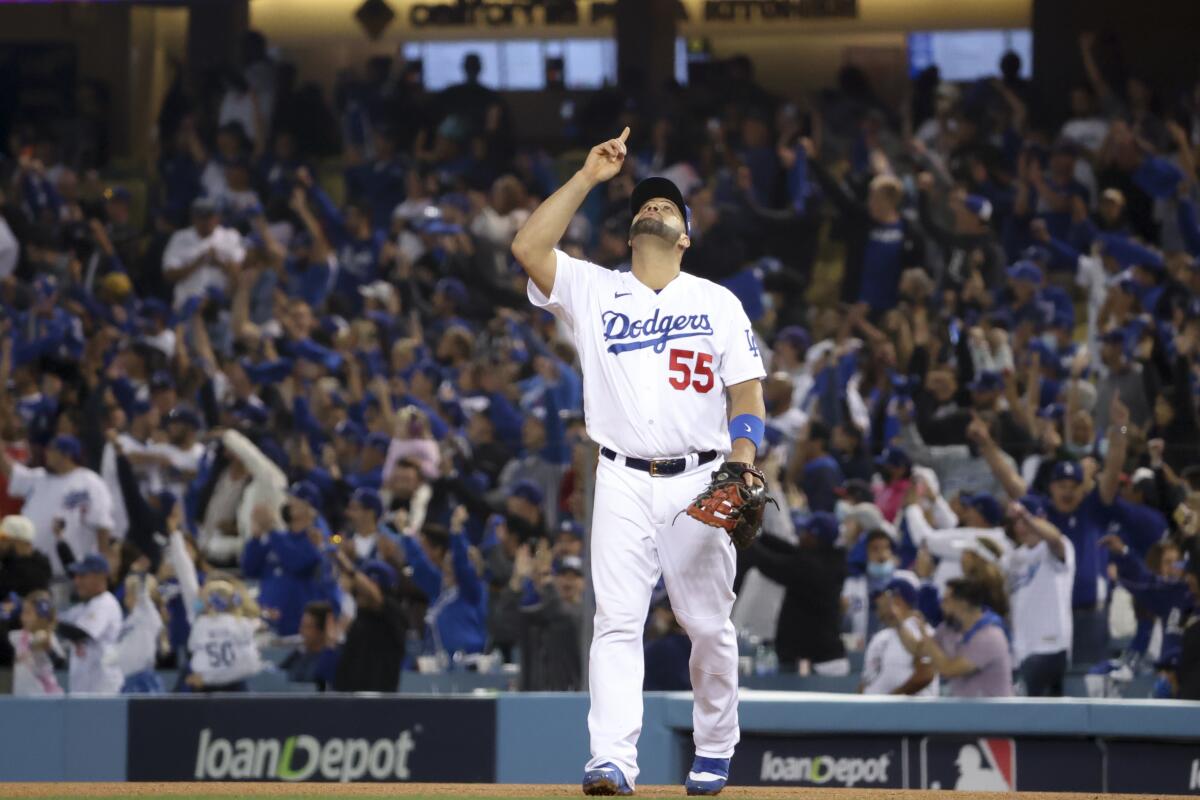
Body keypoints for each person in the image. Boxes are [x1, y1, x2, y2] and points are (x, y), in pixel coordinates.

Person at [511, 129, 767, 796]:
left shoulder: (716, 302)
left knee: (707, 626)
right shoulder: (594, 290)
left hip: (701, 475)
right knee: (617, 620)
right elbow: (528, 247)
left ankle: (714, 746)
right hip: (621, 475)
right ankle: (613, 759)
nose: (655, 207)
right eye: (645, 204)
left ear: (685, 236)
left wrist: (742, 458)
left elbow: (746, 392)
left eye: (669, 207)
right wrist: (589, 177)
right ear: (629, 233)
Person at [0, 435, 115, 577]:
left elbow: (102, 525)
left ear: (66, 455)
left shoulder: (90, 483)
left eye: (51, 450)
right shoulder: (39, 477)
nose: (46, 453)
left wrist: (103, 563)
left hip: (72, 572)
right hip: (33, 569)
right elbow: (12, 473)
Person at [1005, 496, 1074, 697]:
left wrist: (1025, 515)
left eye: (1026, 520)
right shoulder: (1014, 557)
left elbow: (1054, 538)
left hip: (1050, 646)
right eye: (1017, 521)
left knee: (1037, 717)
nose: (1022, 526)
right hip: (1021, 649)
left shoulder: (1057, 547)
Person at [900, 577, 1013, 698]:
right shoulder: (948, 629)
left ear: (962, 603)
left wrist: (924, 633)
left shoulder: (990, 636)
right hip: (966, 711)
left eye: (946, 601)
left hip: (997, 713)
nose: (941, 605)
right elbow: (919, 649)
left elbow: (948, 669)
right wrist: (898, 623)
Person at [332, 555, 407, 692]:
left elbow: (375, 597)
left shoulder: (392, 611)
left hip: (379, 697)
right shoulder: (360, 616)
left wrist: (350, 569)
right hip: (351, 697)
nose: (358, 592)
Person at [861, 573, 938, 696]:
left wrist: (891, 699)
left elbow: (925, 675)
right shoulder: (882, 636)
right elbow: (865, 682)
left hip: (907, 711)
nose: (877, 606)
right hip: (875, 710)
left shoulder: (923, 631)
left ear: (897, 601)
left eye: (881, 598)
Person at [60, 554, 124, 695]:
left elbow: (81, 633)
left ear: (101, 576)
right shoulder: (82, 608)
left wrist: (51, 622)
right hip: (84, 690)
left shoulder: (105, 603)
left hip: (104, 690)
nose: (77, 581)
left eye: (83, 576)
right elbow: (58, 623)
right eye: (76, 576)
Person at [185, 577, 262, 692]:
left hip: (207, 682)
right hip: (236, 680)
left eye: (203, 600)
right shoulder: (242, 622)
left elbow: (192, 647)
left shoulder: (201, 623)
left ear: (211, 603)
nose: (200, 602)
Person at [8, 589, 64, 696]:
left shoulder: (49, 637)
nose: (22, 617)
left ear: (41, 615)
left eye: (28, 613)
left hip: (44, 696)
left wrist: (48, 649)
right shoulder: (16, 636)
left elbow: (60, 663)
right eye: (22, 612)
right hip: (21, 696)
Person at [280, 600, 340, 690]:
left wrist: (330, 644)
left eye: (307, 627)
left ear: (322, 631)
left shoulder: (331, 659)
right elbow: (278, 673)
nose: (301, 631)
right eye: (302, 626)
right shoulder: (298, 654)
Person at [0, 515, 51, 597]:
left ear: (19, 541)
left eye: (2, 538)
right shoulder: (8, 567)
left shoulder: (26, 574)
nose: (0, 543)